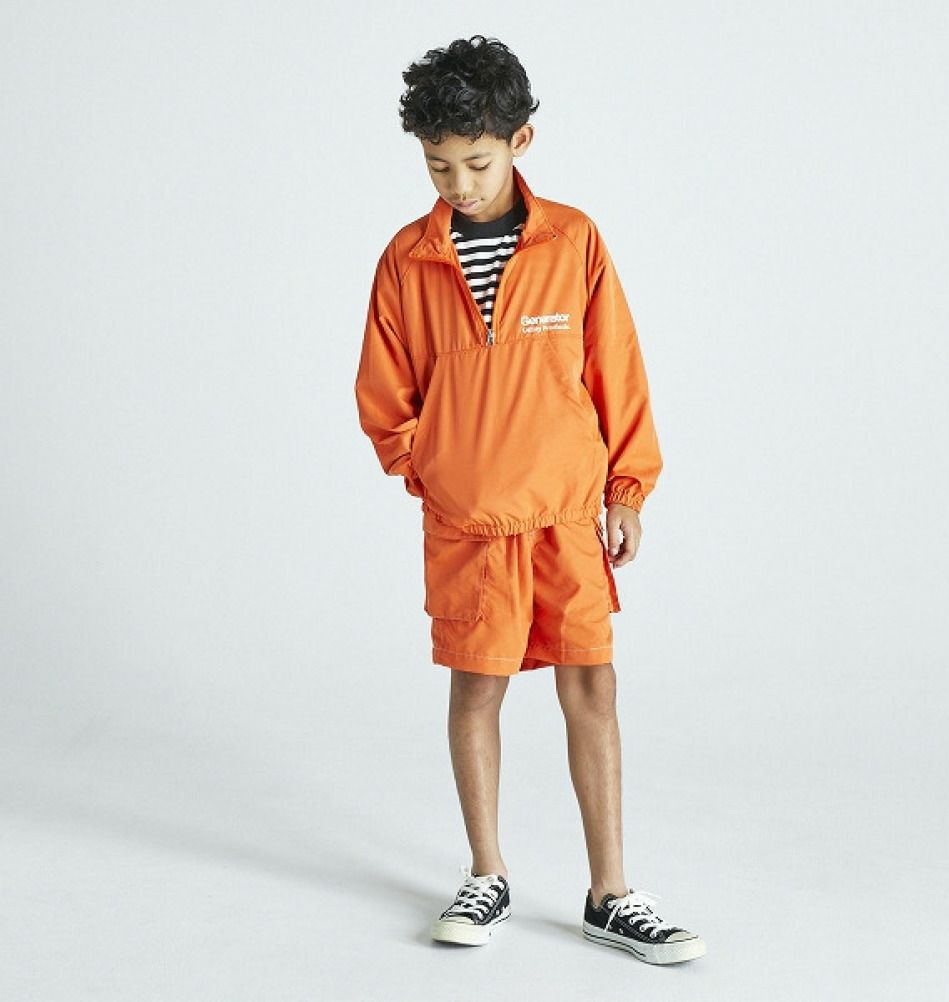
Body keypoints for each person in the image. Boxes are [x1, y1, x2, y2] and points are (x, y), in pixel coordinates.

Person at [354, 34, 706, 966]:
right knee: (478, 688)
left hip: (565, 515)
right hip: (469, 524)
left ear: (520, 141)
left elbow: (616, 368)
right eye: (438, 166)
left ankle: (611, 894)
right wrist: (439, 473)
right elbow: (385, 397)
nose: (459, 184)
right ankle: (487, 873)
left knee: (593, 685)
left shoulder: (572, 240)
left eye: (476, 162)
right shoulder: (407, 260)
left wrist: (627, 489)